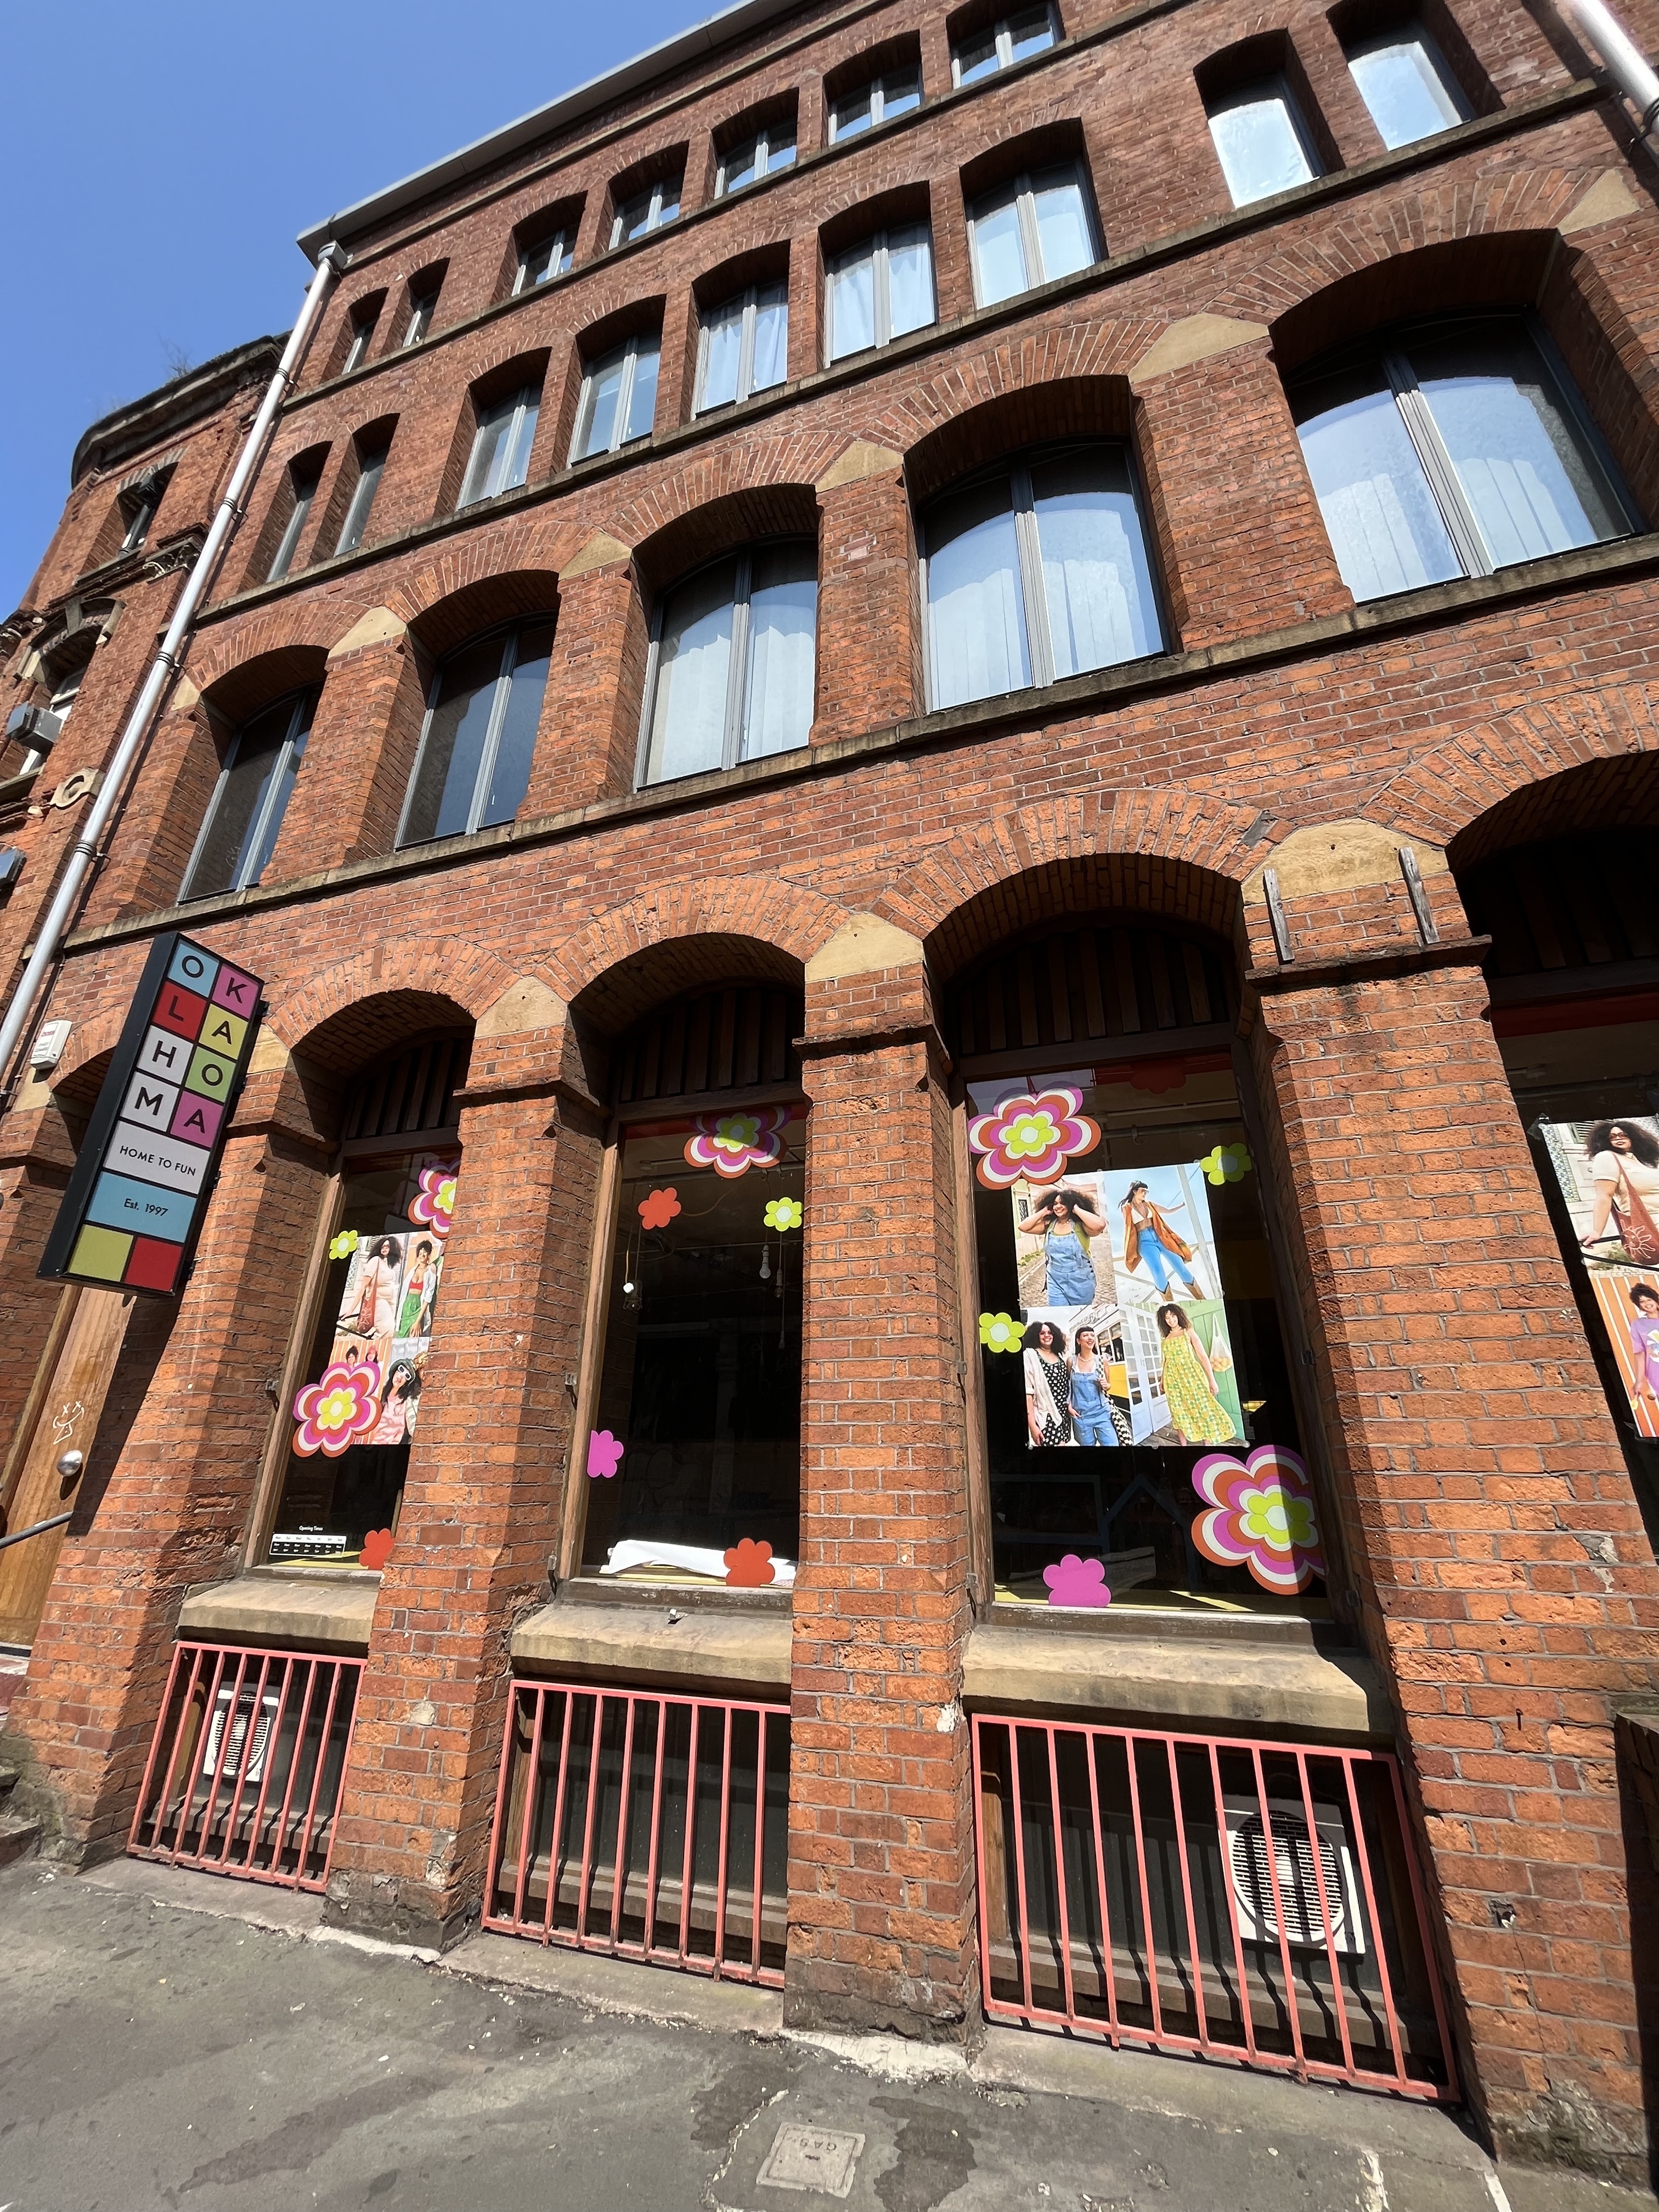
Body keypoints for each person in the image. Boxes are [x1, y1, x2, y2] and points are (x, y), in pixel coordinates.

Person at [1156, 1302, 1235, 1445]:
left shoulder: (1188, 1332)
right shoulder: (1165, 1340)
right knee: (1177, 1410)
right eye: (1167, 1318)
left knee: (1202, 1407)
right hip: (1172, 1380)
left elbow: (1203, 1356)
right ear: (1164, 1321)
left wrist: (1212, 1380)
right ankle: (1183, 1445)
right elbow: (1167, 1362)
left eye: (1173, 1316)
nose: (1171, 1320)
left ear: (1178, 1316)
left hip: (1192, 1376)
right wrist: (1163, 1380)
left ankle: (1207, 1443)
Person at [1017, 1184, 1106, 1307]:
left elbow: (1100, 1225)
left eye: (1063, 1203)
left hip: (1081, 1280)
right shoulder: (1049, 1226)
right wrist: (1044, 1211)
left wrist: (1076, 1209)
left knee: (1080, 1311)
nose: (1058, 1206)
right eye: (1055, 1204)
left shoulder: (1081, 1226)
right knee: (1057, 1310)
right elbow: (1023, 1227)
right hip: (1055, 1280)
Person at [1581, 1121, 1659, 1257]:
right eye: (1612, 1137)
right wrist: (1597, 1231)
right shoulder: (1607, 1157)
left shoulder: (1643, 1161)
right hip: (1650, 1224)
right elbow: (1604, 1196)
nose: (1618, 1138)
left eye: (1624, 1135)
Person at [1121, 1181, 1204, 1298]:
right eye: (1142, 1191)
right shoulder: (1127, 1208)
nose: (1145, 1194)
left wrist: (1182, 1205)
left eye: (1146, 1192)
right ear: (1134, 1191)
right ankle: (1168, 1302)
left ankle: (1201, 1298)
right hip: (1144, 1242)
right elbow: (1129, 1228)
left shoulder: (1150, 1205)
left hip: (1161, 1238)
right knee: (1158, 1272)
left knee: (1180, 1265)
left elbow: (1168, 1211)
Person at [1023, 1318, 1074, 1447]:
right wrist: (1032, 1425)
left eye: (1050, 1333)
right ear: (1036, 1336)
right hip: (1046, 1414)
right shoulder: (1030, 1355)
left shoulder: (1059, 1356)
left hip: (1063, 1414)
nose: (1047, 1336)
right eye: (1042, 1333)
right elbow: (1028, 1393)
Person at [1069, 1325, 1120, 1447]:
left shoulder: (1102, 1360)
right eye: (1086, 1335)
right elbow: (1069, 1387)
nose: (1090, 1338)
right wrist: (1069, 1407)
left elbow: (1109, 1385)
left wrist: (1106, 1385)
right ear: (1078, 1341)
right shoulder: (1072, 1361)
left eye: (1092, 1335)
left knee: (1112, 1445)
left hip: (1102, 1412)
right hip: (1080, 1415)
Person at [350, 1235, 402, 1340]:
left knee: (391, 1332)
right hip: (378, 1300)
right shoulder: (375, 1260)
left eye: (387, 1246)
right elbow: (363, 1287)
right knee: (387, 1329)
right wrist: (351, 1310)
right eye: (382, 1246)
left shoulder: (388, 1264)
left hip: (391, 1302)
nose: (384, 1248)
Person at [368, 1359, 422, 1446]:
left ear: (406, 1383)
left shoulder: (403, 1403)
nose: (401, 1376)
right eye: (401, 1370)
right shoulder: (381, 1394)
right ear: (395, 1370)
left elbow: (400, 1432)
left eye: (407, 1376)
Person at [398, 1238, 437, 1338]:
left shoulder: (431, 1272)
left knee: (414, 1336)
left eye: (425, 1253)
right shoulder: (412, 1271)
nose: (422, 1255)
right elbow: (404, 1292)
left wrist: (418, 1321)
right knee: (402, 1336)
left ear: (429, 1255)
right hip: (407, 1306)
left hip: (419, 1307)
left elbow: (428, 1297)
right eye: (420, 1253)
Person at [1629, 1284, 1659, 1409]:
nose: (1647, 1304)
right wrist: (1639, 1381)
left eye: (1649, 1299)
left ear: (1655, 1299)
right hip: (1656, 1373)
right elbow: (1639, 1354)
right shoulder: (1638, 1325)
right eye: (1642, 1302)